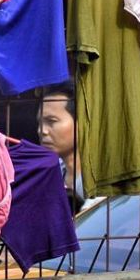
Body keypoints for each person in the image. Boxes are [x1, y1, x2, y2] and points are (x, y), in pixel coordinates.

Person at [39, 81, 84, 213]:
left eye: (51, 121)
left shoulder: (103, 179)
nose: (42, 131)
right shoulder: (48, 174)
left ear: (82, 123)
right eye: (40, 123)